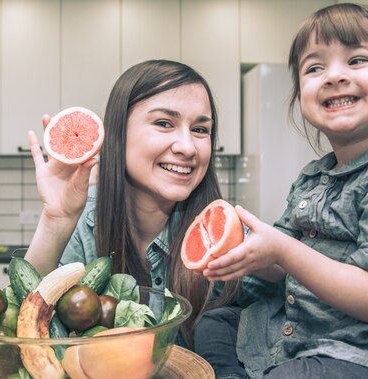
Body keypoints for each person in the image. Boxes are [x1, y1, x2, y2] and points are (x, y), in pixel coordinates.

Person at [197, 3, 368, 379]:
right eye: (315, 68)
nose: (333, 76)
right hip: (298, 334)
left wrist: (283, 249)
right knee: (214, 324)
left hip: (360, 351)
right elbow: (279, 265)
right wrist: (251, 253)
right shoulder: (313, 177)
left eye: (357, 60)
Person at [24, 60, 272, 347]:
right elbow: (26, 328)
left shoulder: (226, 232)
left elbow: (289, 309)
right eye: (164, 123)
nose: (188, 147)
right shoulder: (84, 222)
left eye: (201, 130)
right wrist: (56, 219)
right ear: (118, 133)